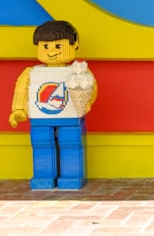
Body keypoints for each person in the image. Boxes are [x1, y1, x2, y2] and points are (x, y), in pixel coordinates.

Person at [9, 20, 98, 190]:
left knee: (71, 144)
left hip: (70, 117)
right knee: (41, 144)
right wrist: (18, 110)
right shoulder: (31, 73)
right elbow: (21, 92)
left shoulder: (78, 71)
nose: (51, 52)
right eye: (45, 46)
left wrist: (86, 103)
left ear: (75, 44)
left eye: (58, 47)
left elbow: (91, 89)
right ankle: (43, 176)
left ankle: (72, 176)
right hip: (40, 118)